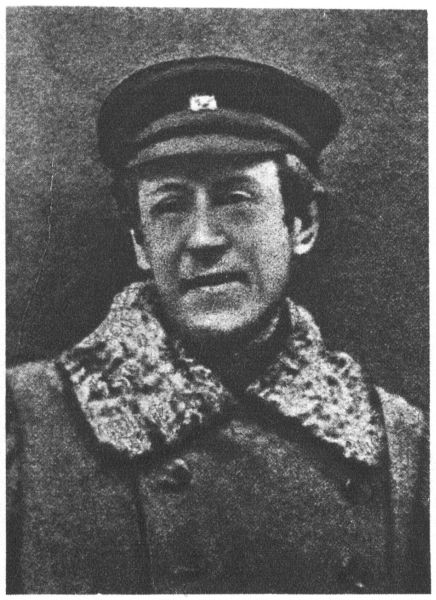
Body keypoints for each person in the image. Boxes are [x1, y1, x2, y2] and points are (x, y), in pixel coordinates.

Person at [6, 56, 429, 594]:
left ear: (302, 225)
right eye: (170, 206)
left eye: (235, 199)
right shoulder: (23, 422)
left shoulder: (401, 443)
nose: (203, 238)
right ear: (140, 243)